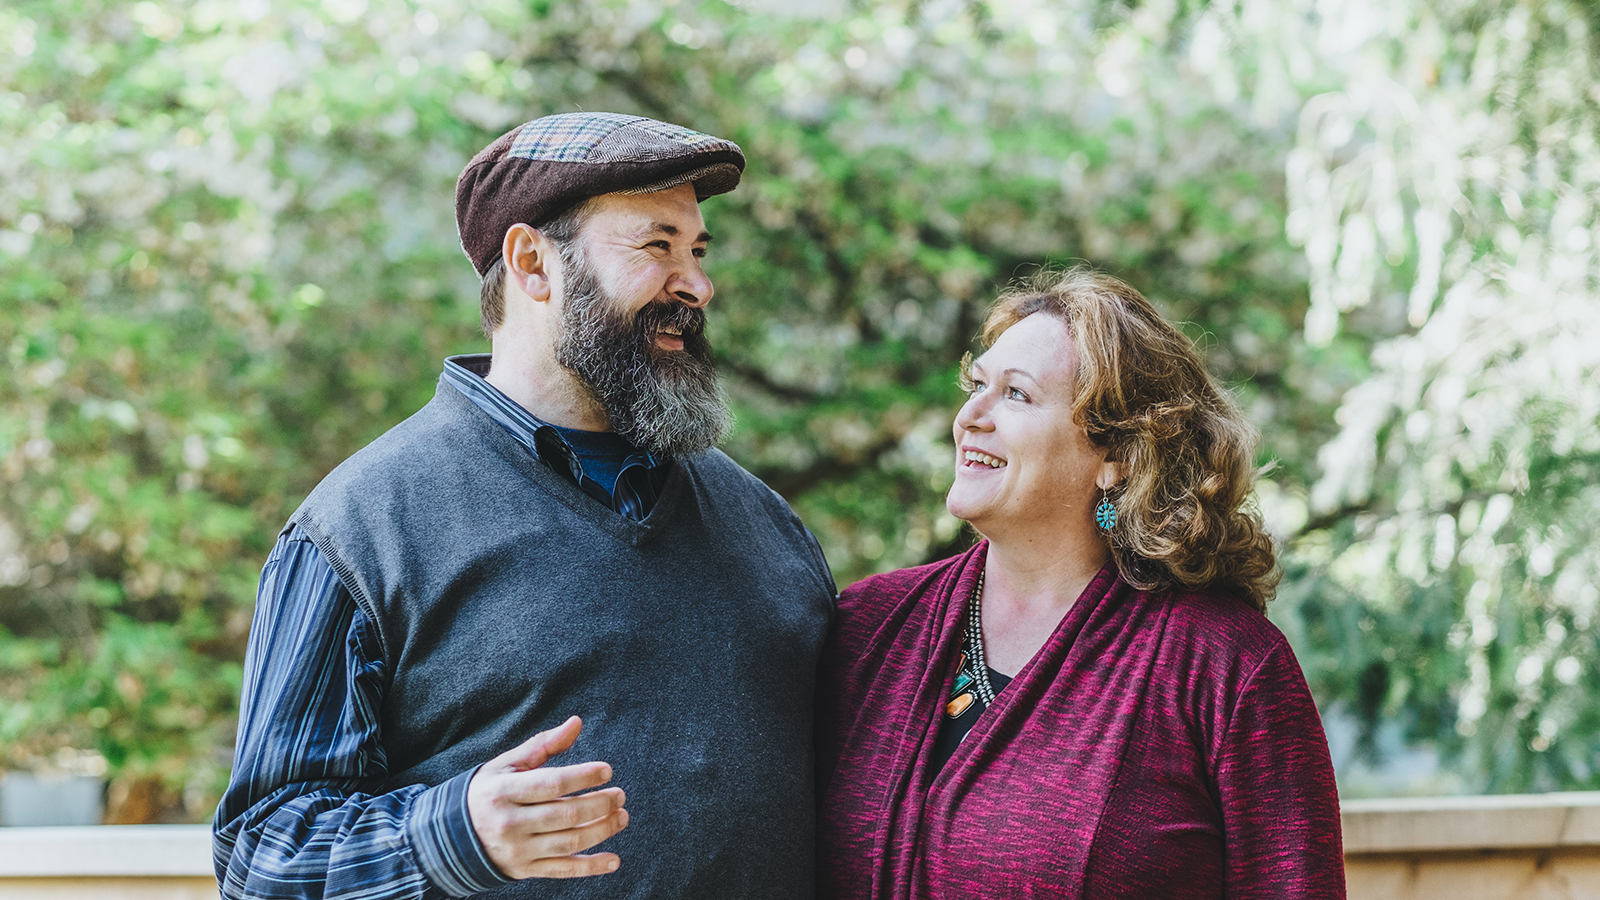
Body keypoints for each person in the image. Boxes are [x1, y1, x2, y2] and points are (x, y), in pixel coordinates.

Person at [213, 112, 835, 900]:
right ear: (533, 262)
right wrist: (455, 834)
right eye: (658, 246)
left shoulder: (767, 524)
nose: (698, 285)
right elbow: (262, 857)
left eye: (698, 250)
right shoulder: (361, 529)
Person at [815, 268, 1345, 899]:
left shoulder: (1222, 666)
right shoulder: (870, 626)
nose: (970, 418)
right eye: (977, 385)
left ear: (1116, 455)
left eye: (1017, 395)